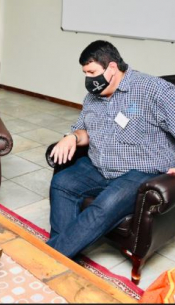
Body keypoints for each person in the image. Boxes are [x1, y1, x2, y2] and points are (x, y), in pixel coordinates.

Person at [47, 40, 175, 258]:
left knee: (103, 207)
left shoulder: (153, 90)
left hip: (139, 172)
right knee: (62, 184)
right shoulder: (93, 97)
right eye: (85, 73)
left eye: (92, 72)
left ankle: (50, 256)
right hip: (99, 166)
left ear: (112, 67)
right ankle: (66, 256)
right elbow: (84, 131)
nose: (88, 79)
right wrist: (71, 137)